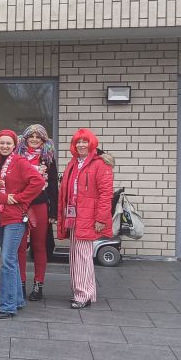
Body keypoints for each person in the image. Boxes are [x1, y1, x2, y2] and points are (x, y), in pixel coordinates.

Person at [57, 128, 114, 309]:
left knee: (82, 256)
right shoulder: (74, 163)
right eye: (78, 142)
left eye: (84, 141)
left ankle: (82, 295)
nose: (81, 145)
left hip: (88, 216)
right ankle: (85, 292)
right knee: (77, 256)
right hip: (75, 215)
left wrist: (101, 219)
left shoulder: (100, 164)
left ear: (91, 143)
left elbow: (106, 194)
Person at [0, 130, 43, 319]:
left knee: (7, 261)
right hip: (0, 216)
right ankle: (18, 300)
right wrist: (4, 198)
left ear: (15, 145)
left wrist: (21, 198)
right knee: (11, 260)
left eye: (8, 143)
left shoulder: (20, 162)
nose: (5, 146)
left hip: (15, 217)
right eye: (1, 143)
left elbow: (38, 182)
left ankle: (7, 306)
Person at [17, 124, 59, 302]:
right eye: (31, 136)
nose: (34, 139)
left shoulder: (47, 159)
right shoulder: (17, 156)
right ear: (25, 139)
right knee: (19, 246)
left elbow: (54, 186)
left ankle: (38, 284)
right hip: (20, 205)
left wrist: (54, 212)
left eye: (38, 137)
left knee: (39, 245)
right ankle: (20, 283)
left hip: (40, 205)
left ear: (43, 140)